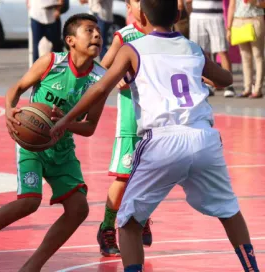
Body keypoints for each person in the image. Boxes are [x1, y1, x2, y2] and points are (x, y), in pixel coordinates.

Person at [51, 1, 260, 271]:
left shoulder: (133, 48)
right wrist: (206, 78)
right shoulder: (191, 47)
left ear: (142, 15)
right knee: (229, 211)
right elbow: (226, 78)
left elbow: (101, 87)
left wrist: (67, 119)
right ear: (177, 14)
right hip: (203, 137)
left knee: (128, 223)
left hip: (162, 139)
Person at [0, 13, 106, 272]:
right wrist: (9, 110)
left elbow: (90, 127)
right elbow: (17, 88)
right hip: (31, 142)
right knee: (29, 201)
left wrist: (66, 124)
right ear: (70, 40)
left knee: (78, 209)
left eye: (98, 31)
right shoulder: (50, 62)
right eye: (89, 30)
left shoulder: (100, 79)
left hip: (62, 146)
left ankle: (31, 267)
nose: (96, 35)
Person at [96, 0, 151, 257]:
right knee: (124, 175)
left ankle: (141, 217)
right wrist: (117, 77)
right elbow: (102, 68)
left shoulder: (164, 33)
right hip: (131, 117)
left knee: (152, 173)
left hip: (156, 119)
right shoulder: (126, 35)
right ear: (129, 5)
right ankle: (107, 227)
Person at [187, 0, 236, 97]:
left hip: (215, 15)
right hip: (197, 15)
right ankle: (207, 84)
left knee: (222, 50)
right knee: (201, 52)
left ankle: (229, 86)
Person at [227, 0, 264, 98]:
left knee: (258, 55)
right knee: (245, 56)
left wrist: (255, 2)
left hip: (255, 19)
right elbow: (231, 6)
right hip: (238, 21)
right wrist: (229, 28)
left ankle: (257, 89)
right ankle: (247, 88)